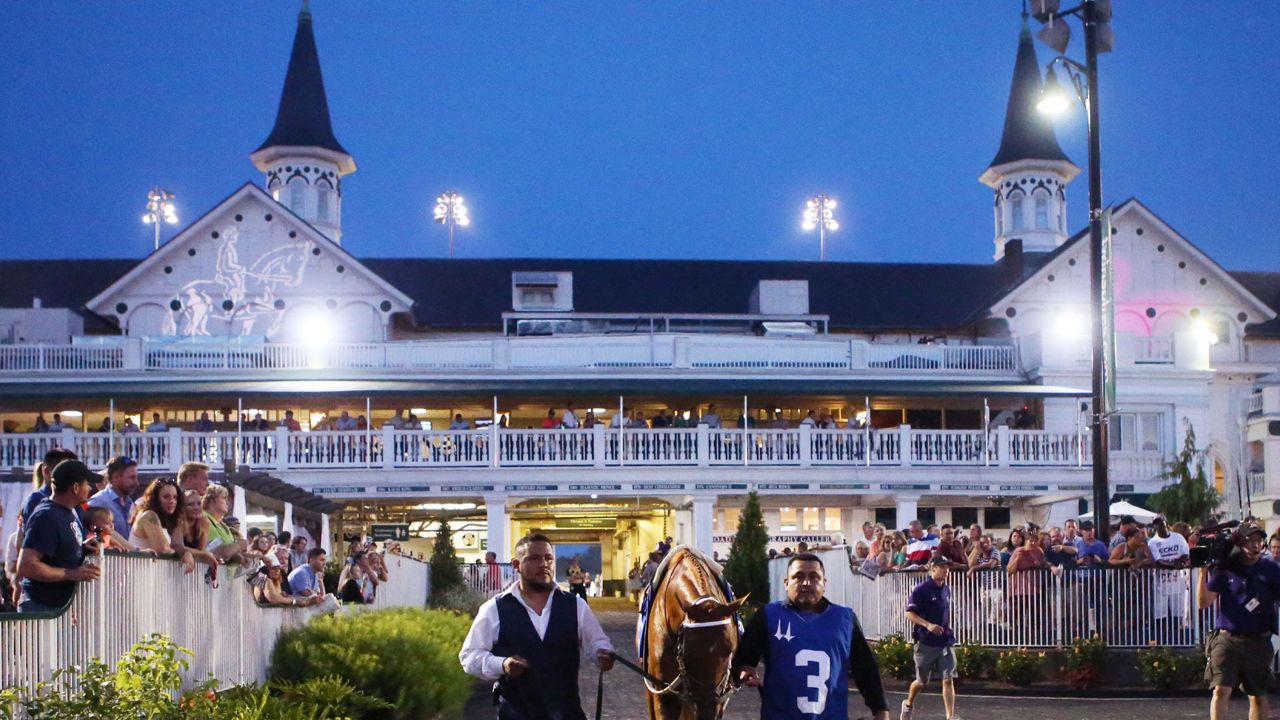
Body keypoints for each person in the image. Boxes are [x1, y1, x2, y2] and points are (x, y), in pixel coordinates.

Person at [459, 534, 614, 720]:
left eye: (548, 558)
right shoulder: (494, 609)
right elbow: (469, 656)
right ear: (516, 565)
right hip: (515, 714)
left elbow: (597, 642)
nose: (543, 564)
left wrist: (602, 654)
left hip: (567, 713)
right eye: (534, 558)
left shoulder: (576, 606)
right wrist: (502, 664)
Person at [734, 553, 890, 720]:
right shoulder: (767, 616)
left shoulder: (845, 619)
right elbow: (744, 659)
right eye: (798, 577)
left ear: (824, 583)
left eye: (814, 577)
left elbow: (866, 669)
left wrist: (881, 709)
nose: (806, 583)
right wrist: (745, 670)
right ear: (786, 583)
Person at [1197, 521, 1280, 720]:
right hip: (1228, 638)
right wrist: (1203, 572)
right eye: (1250, 540)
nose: (1255, 544)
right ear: (1240, 543)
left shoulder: (1271, 569)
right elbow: (1203, 602)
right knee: (1220, 691)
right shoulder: (1226, 567)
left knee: (1257, 696)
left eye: (1259, 540)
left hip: (1258, 640)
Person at [16, 460, 102, 612]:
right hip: (41, 608)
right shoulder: (47, 516)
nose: (90, 488)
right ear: (76, 488)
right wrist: (71, 574)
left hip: (56, 609)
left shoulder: (65, 512)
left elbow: (57, 550)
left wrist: (82, 547)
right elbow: (27, 566)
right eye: (87, 483)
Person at [902, 556, 958, 720]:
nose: (946, 570)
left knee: (948, 678)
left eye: (947, 567)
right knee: (922, 681)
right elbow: (909, 613)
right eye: (942, 567)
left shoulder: (946, 589)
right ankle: (908, 704)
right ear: (932, 568)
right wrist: (928, 625)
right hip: (925, 641)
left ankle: (950, 716)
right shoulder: (921, 589)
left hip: (945, 641)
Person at [87, 455, 139, 540]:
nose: (137, 483)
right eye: (132, 478)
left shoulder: (130, 503)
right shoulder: (97, 503)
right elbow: (91, 538)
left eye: (136, 477)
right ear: (115, 477)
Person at [130, 479, 182, 555]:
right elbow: (163, 549)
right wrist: (182, 555)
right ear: (155, 498)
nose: (172, 501)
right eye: (166, 497)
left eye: (175, 497)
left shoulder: (164, 519)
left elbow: (176, 546)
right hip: (139, 566)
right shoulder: (149, 515)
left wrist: (187, 553)